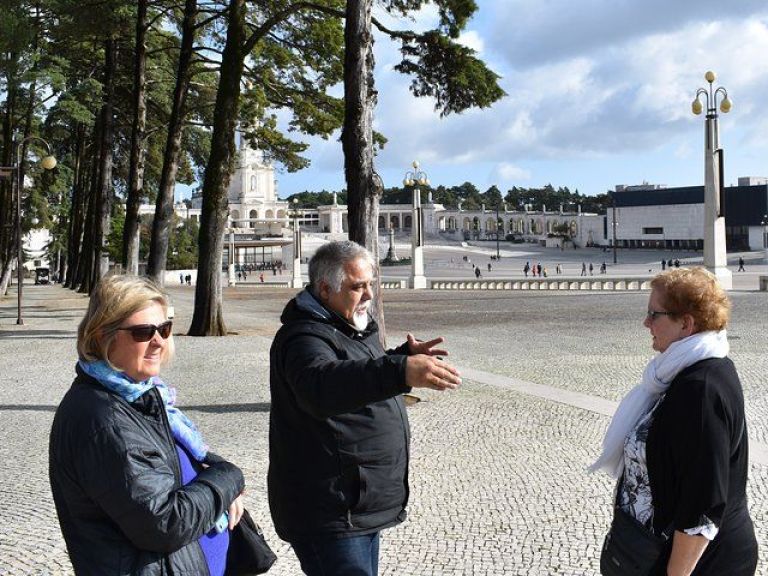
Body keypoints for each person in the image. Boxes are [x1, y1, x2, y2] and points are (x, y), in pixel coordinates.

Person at [268, 241, 461, 576]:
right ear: (325, 289)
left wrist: (399, 356)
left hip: (356, 504)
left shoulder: (348, 327)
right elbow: (320, 386)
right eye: (358, 286)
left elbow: (355, 370)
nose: (369, 295)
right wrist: (399, 372)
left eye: (371, 284)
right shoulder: (303, 337)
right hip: (330, 511)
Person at [49, 276, 247, 575]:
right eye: (143, 332)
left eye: (164, 328)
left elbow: (178, 452)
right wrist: (230, 478)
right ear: (104, 336)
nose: (158, 341)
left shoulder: (140, 394)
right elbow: (165, 523)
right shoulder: (103, 420)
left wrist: (219, 471)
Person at [591, 267, 758, 575]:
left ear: (686, 324)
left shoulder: (702, 389)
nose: (646, 323)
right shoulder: (678, 372)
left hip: (699, 563)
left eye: (655, 315)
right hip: (651, 548)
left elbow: (702, 507)